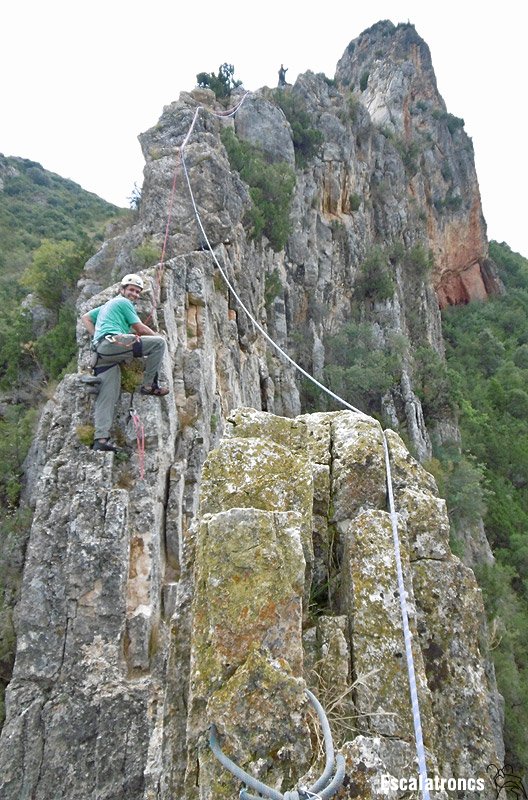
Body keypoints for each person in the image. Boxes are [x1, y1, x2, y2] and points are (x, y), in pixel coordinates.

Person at [81, 273, 169, 452]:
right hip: (113, 343)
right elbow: (140, 328)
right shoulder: (123, 302)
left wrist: (96, 337)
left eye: (137, 292)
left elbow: (86, 318)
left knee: (107, 395)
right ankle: (149, 386)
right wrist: (158, 336)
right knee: (159, 344)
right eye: (131, 290)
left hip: (103, 354)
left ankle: (101, 439)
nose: (134, 294)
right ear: (122, 290)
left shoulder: (107, 305)